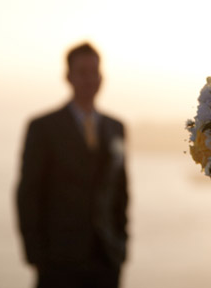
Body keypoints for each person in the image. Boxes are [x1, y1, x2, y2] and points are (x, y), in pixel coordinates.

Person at [16, 43, 128, 288]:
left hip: (106, 259)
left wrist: (121, 243)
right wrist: (36, 255)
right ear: (68, 76)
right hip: (58, 262)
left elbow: (121, 190)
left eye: (95, 71)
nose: (90, 79)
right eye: (82, 72)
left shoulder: (115, 127)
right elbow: (28, 193)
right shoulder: (43, 127)